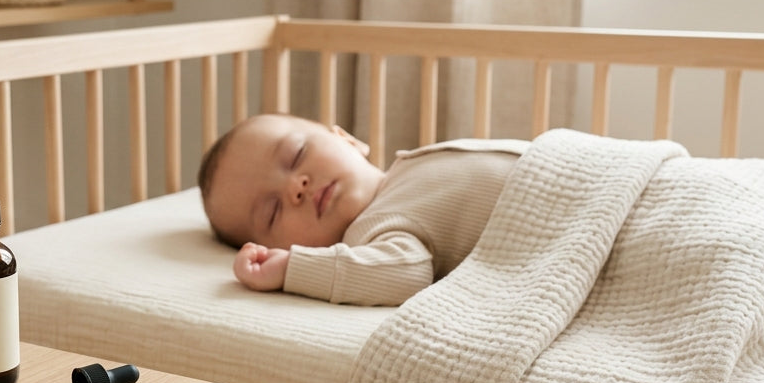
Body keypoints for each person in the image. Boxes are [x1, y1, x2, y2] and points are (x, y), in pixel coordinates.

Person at [197, 113, 527, 306]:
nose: (295, 187)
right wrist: (292, 269)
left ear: (347, 139)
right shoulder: (371, 232)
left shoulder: (406, 167)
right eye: (272, 212)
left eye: (297, 154)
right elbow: (407, 272)